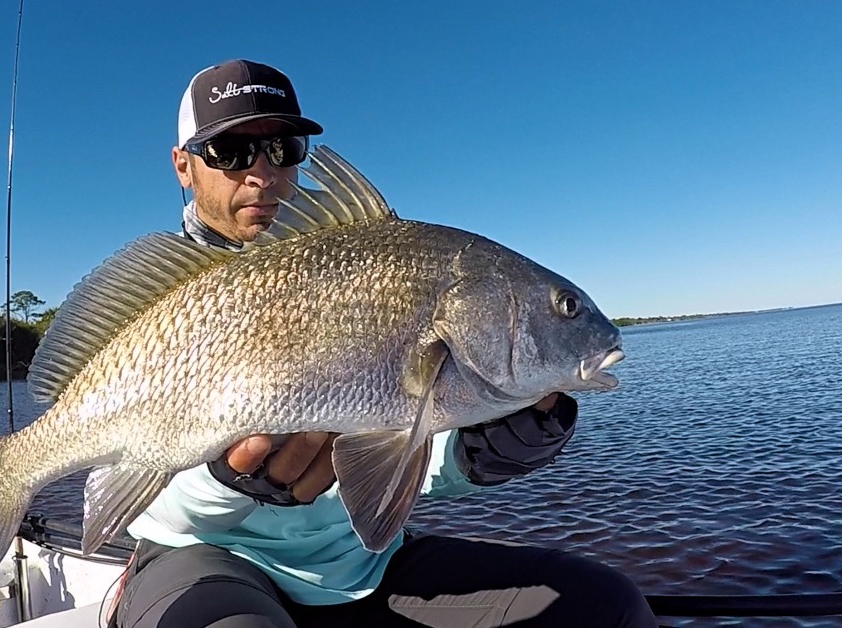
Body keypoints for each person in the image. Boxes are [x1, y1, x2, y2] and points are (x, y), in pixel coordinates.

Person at [113, 59, 657, 628]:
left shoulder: (363, 264)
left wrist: (478, 451)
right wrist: (226, 482)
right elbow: (149, 505)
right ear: (183, 166)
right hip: (201, 559)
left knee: (608, 609)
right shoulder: (161, 310)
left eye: (283, 149)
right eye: (228, 150)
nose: (259, 173)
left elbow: (397, 445)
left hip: (360, 566)